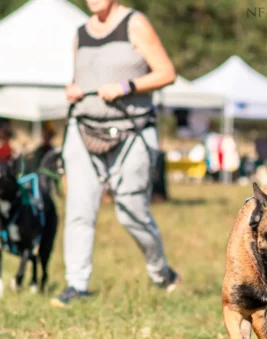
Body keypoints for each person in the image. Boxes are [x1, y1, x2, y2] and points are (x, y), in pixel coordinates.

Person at [52, 0, 178, 307]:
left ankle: (161, 272)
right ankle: (76, 285)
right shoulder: (80, 32)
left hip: (131, 130)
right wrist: (72, 88)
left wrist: (126, 86)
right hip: (82, 129)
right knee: (80, 209)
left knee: (131, 210)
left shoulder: (135, 24)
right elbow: (78, 77)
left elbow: (166, 73)